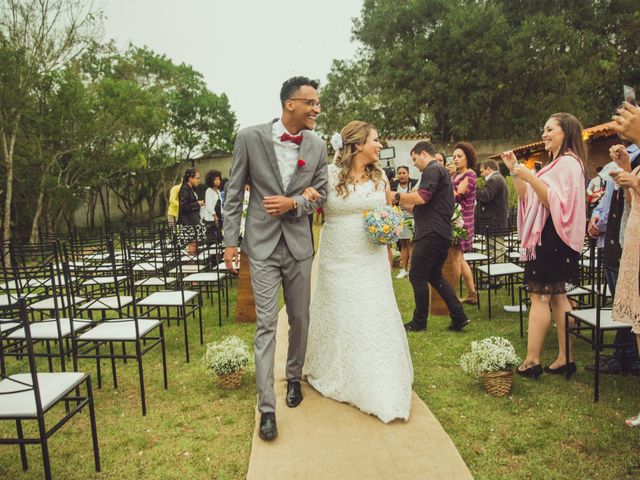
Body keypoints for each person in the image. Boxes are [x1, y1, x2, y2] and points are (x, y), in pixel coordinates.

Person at [223, 76, 328, 441]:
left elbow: (323, 194)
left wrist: (296, 203)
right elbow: (234, 192)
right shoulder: (249, 137)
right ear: (290, 104)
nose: (317, 109)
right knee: (266, 323)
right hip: (262, 246)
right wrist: (230, 242)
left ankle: (294, 378)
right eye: (312, 103)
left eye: (317, 103)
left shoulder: (317, 145)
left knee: (300, 318)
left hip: (299, 245)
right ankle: (267, 407)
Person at [304, 121, 413, 423]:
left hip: (371, 255)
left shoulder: (380, 179)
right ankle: (336, 368)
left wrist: (393, 230)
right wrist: (309, 196)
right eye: (376, 140)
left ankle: (377, 376)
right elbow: (311, 208)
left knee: (372, 311)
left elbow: (391, 212)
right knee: (341, 311)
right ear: (357, 143)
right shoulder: (328, 174)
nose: (380, 145)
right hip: (337, 254)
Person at [501, 112, 587, 380]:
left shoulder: (569, 163)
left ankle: (532, 360)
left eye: (550, 129)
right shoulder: (555, 164)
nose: (544, 134)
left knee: (540, 297)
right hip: (549, 237)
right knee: (559, 297)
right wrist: (516, 171)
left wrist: (531, 176)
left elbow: (555, 203)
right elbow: (528, 197)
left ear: (566, 132)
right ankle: (565, 358)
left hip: (552, 238)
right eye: (544, 129)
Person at [392, 141, 470, 332]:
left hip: (431, 234)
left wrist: (396, 196)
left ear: (424, 154)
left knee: (417, 275)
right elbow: (418, 206)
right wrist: (400, 203)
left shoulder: (432, 169)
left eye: (414, 159)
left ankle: (419, 322)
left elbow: (421, 197)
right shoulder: (438, 172)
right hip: (441, 234)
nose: (414, 164)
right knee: (435, 276)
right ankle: (459, 316)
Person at [586, 142, 640, 375]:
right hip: (613, 242)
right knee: (623, 301)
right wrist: (595, 216)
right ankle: (623, 353)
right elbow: (607, 201)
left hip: (627, 241)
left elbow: (631, 202)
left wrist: (631, 175)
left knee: (631, 305)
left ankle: (626, 356)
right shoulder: (620, 160)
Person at [450, 142, 478, 304]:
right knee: (459, 258)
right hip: (454, 218)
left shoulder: (470, 175)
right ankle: (472, 293)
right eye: (454, 156)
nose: (456, 159)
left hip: (462, 221)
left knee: (455, 258)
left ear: (468, 157)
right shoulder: (455, 176)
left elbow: (457, 195)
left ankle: (451, 295)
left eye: (459, 156)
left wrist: (443, 187)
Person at [390, 165, 418, 279]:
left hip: (411, 215)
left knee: (411, 243)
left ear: (408, 174)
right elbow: (391, 199)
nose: (401, 175)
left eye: (404, 173)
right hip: (399, 216)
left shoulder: (414, 183)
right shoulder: (394, 185)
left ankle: (412, 270)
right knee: (403, 244)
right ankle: (404, 269)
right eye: (399, 173)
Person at [475, 160, 509, 232]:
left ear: (488, 169)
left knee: (493, 243)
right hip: (497, 223)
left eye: (482, 171)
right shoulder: (499, 178)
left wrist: (474, 187)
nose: (481, 174)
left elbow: (485, 197)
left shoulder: (493, 180)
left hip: (494, 224)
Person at [178, 168, 205, 255]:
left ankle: (193, 263)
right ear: (190, 178)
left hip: (193, 221)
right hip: (188, 222)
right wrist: (197, 203)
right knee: (191, 248)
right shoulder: (184, 189)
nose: (199, 180)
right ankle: (191, 265)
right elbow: (183, 207)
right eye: (197, 178)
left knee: (194, 245)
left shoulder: (191, 188)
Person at [202, 169, 222, 243]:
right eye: (215, 179)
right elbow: (209, 205)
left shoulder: (218, 191)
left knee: (219, 238)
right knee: (212, 239)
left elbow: (220, 205)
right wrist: (215, 216)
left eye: (218, 179)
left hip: (219, 217)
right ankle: (213, 254)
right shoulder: (209, 191)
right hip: (211, 219)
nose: (218, 181)